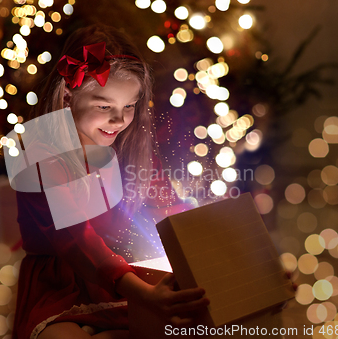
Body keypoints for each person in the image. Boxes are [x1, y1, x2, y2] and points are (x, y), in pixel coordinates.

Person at [12, 24, 210, 339]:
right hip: (60, 288)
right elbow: (77, 241)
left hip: (127, 279)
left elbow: (169, 206)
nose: (119, 120)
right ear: (68, 96)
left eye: (128, 106)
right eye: (105, 106)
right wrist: (142, 294)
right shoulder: (39, 155)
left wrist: (228, 255)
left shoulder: (130, 148)